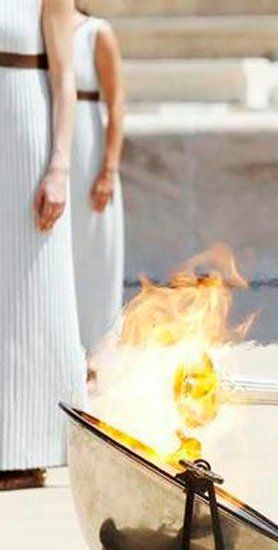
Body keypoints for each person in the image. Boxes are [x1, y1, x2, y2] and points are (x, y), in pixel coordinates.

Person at [0, 0, 87, 490]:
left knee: (31, 290)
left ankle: (28, 448)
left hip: (22, 138)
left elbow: (64, 79)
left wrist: (59, 165)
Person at [70, 1, 125, 384]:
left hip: (88, 159)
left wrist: (108, 169)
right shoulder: (36, 33)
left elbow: (117, 102)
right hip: (46, 159)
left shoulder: (96, 32)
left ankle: (95, 352)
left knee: (93, 254)